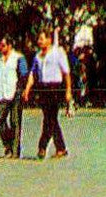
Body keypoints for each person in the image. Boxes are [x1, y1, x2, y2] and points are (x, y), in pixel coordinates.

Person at [22, 30, 71, 159]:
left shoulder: (58, 52)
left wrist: (68, 90)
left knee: (50, 119)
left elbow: (66, 72)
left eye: (42, 39)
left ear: (49, 40)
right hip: (43, 88)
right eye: (39, 39)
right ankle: (61, 148)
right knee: (51, 119)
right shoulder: (38, 56)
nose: (39, 41)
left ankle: (42, 147)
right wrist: (27, 89)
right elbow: (33, 73)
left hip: (55, 88)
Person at [0, 36, 29, 158]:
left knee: (15, 121)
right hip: (2, 93)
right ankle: (8, 145)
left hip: (15, 93)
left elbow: (24, 75)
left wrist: (20, 90)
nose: (1, 48)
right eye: (0, 45)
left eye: (3, 45)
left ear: (10, 45)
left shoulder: (19, 58)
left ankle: (15, 151)